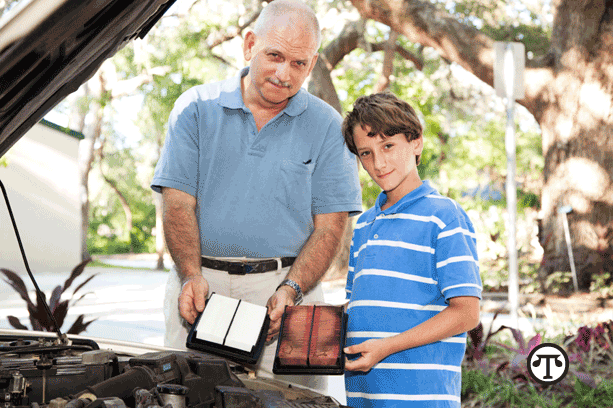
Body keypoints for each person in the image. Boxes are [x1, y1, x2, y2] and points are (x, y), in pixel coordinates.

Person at [150, 0, 362, 391]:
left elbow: (331, 226)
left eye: (298, 63)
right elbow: (177, 203)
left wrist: (292, 289)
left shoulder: (330, 126)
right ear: (249, 45)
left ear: (311, 65)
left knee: (297, 401)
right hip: (200, 286)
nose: (284, 74)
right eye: (275, 56)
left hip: (288, 290)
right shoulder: (195, 108)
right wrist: (190, 275)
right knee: (188, 397)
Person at [340, 92, 482, 407]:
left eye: (388, 146)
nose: (377, 163)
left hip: (420, 397)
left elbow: (466, 312)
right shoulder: (363, 224)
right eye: (365, 153)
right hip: (364, 395)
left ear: (416, 142)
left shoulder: (444, 216)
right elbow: (357, 308)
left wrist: (387, 346)